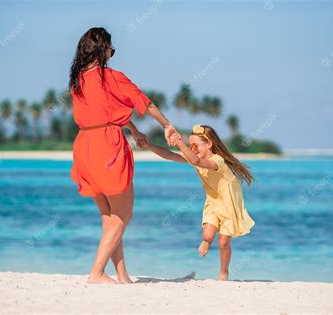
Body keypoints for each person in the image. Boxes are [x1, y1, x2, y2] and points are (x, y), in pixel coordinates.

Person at [69, 27, 180, 284]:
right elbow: (145, 102)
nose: (111, 54)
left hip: (84, 144)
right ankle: (96, 273)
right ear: (102, 49)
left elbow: (104, 112)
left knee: (109, 217)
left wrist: (133, 129)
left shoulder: (77, 79)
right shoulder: (111, 76)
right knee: (123, 215)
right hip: (107, 146)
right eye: (111, 49)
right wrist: (167, 125)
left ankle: (121, 276)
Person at [138, 124, 255, 280]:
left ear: (208, 144)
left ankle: (224, 272)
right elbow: (170, 155)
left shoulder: (216, 161)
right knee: (207, 235)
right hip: (213, 203)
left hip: (229, 205)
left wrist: (180, 143)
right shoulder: (196, 158)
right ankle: (206, 241)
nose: (192, 149)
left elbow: (196, 162)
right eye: (189, 145)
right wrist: (149, 145)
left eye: (195, 145)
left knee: (223, 242)